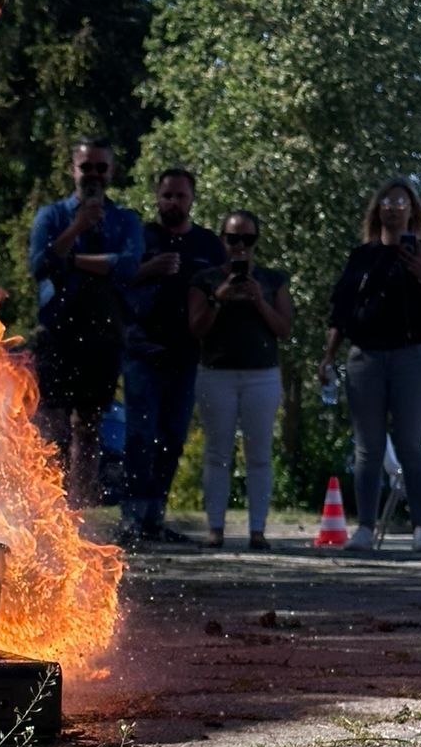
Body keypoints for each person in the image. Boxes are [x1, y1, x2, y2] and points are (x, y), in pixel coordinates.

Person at [320, 177, 421, 552]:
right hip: (365, 357)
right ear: (377, 210)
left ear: (413, 211)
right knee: (368, 446)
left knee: (411, 443)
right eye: (387, 201)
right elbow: (340, 310)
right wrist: (329, 355)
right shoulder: (361, 257)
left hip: (412, 355)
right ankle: (364, 527)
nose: (394, 207)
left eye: (401, 202)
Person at [28, 139, 144, 507]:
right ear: (72, 170)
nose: (93, 174)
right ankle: (48, 502)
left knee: (89, 425)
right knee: (52, 425)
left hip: (104, 333)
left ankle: (80, 502)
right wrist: (77, 228)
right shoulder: (52, 217)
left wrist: (73, 260)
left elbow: (128, 266)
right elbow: (40, 265)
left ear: (110, 172)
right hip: (58, 331)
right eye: (86, 167)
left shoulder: (125, 219)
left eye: (100, 167)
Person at [120, 168, 225, 544]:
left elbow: (221, 292)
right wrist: (149, 268)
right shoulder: (139, 238)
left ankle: (154, 518)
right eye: (167, 196)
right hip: (141, 352)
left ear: (192, 199)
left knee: (172, 438)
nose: (173, 203)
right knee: (139, 436)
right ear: (157, 197)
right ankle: (132, 519)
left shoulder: (208, 245)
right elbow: (116, 279)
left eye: (180, 196)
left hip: (185, 355)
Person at [188, 211, 292, 549]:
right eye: (233, 238)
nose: (240, 246)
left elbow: (284, 329)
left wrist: (258, 298)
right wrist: (220, 297)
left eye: (247, 239)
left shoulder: (273, 280)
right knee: (217, 453)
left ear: (256, 242)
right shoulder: (204, 280)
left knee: (259, 454)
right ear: (223, 240)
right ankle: (215, 528)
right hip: (216, 374)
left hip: (262, 375)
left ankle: (257, 531)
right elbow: (196, 328)